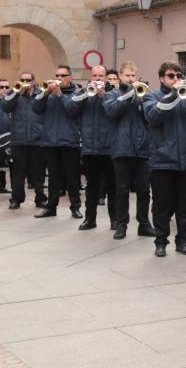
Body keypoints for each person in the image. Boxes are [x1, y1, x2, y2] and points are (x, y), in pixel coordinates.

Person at [143, 62, 186, 257]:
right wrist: (173, 95)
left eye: (178, 75)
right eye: (170, 75)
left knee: (184, 207)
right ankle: (161, 242)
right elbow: (153, 117)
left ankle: (182, 241)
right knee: (161, 206)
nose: (175, 79)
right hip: (162, 161)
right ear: (161, 78)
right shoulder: (152, 96)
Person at [103, 62, 154, 239]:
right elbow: (111, 111)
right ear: (120, 76)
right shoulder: (111, 95)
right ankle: (121, 224)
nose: (131, 79)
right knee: (122, 190)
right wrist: (129, 97)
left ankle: (144, 223)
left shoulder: (145, 94)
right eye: (127, 76)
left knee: (144, 189)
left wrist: (142, 101)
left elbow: (151, 119)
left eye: (133, 76)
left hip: (142, 148)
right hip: (121, 148)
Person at [70, 65, 117, 230]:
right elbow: (71, 109)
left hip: (110, 147)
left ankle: (115, 221)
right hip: (90, 147)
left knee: (113, 186)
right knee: (92, 187)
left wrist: (103, 96)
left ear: (106, 77)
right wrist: (85, 95)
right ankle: (90, 219)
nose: (97, 79)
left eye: (101, 76)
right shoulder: (83, 92)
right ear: (91, 77)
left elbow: (114, 113)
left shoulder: (113, 93)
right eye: (95, 76)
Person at [32, 66, 82, 219]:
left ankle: (75, 207)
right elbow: (36, 108)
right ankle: (51, 207)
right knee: (53, 178)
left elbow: (72, 110)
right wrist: (45, 93)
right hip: (51, 141)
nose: (59, 78)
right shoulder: (49, 93)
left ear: (70, 78)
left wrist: (59, 94)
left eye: (63, 75)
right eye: (57, 75)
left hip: (69, 142)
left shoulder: (77, 93)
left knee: (71, 177)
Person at [0, 72, 47, 210]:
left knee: (38, 173)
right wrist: (16, 93)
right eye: (22, 79)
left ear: (33, 81)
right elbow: (5, 106)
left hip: (37, 140)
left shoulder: (41, 93)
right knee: (18, 173)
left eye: (28, 79)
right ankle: (16, 199)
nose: (25, 81)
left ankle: (40, 199)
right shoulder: (15, 93)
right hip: (19, 140)